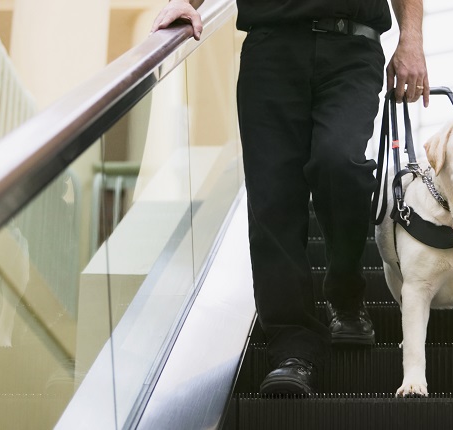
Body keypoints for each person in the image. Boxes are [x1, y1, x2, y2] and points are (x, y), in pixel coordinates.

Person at [152, 0, 429, 395]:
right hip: (271, 48)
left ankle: (345, 294)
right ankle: (293, 350)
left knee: (342, 163)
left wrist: (412, 40)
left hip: (352, 46)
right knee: (273, 198)